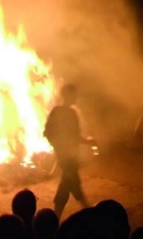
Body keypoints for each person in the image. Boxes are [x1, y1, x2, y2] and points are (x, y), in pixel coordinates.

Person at [43, 84, 91, 218]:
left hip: (70, 156)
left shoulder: (66, 112)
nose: (76, 97)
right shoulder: (63, 112)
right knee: (74, 185)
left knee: (66, 186)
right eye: (74, 94)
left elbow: (74, 137)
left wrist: (87, 142)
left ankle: (56, 217)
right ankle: (90, 213)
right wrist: (58, 148)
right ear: (67, 95)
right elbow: (48, 133)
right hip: (67, 158)